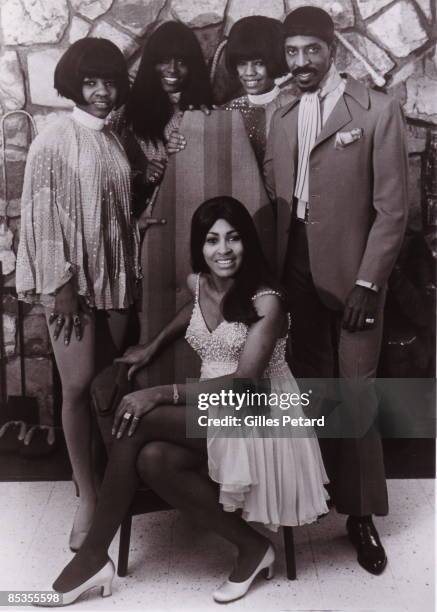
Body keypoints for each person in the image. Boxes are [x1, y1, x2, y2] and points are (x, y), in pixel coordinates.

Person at [48, 196, 329, 605]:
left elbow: (245, 386)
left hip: (259, 415)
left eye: (233, 238)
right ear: (200, 247)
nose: (223, 250)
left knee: (140, 419)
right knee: (151, 458)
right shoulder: (199, 283)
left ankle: (93, 554)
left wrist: (162, 392)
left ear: (247, 242)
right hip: (210, 411)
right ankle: (253, 548)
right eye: (212, 241)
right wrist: (152, 346)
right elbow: (191, 310)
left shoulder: (267, 301)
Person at [264, 6, 408, 575]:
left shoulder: (376, 109)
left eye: (312, 51)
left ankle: (363, 515)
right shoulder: (278, 111)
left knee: (355, 392)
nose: (300, 62)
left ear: (334, 51)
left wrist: (369, 282)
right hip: (292, 268)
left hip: (354, 276)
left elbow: (394, 211)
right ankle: (316, 496)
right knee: (311, 390)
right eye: (292, 52)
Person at [16, 38, 140, 553]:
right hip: (71, 284)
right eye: (91, 82)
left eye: (109, 81)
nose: (101, 92)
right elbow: (41, 214)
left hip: (114, 282)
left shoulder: (113, 140)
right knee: (75, 389)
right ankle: (86, 497)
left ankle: (110, 486)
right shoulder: (53, 137)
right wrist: (60, 285)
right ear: (74, 83)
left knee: (104, 388)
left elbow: (115, 215)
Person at [110, 21, 214, 222]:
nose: (172, 69)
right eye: (164, 61)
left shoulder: (204, 112)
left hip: (191, 214)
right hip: (139, 220)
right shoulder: (126, 112)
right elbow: (107, 168)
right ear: (151, 64)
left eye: (182, 62)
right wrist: (141, 173)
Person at [223, 16, 296, 166]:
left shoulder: (295, 108)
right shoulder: (226, 111)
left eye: (259, 63)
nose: (249, 72)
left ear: (274, 61)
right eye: (242, 63)